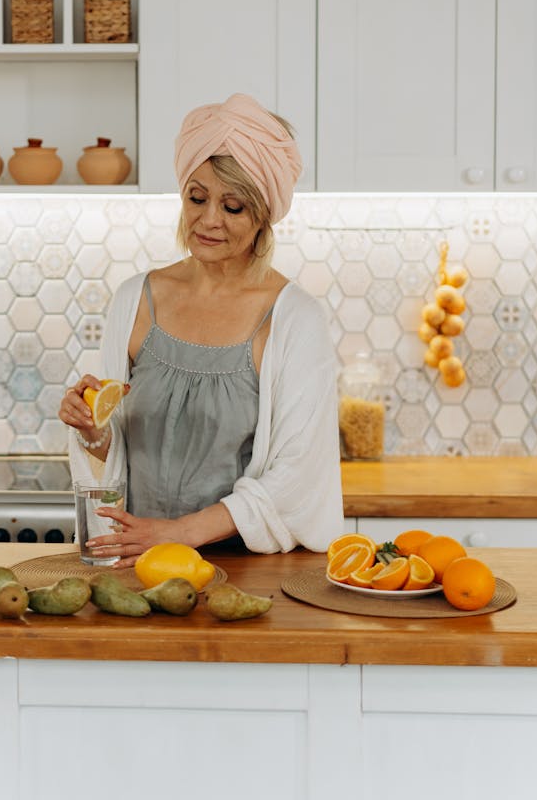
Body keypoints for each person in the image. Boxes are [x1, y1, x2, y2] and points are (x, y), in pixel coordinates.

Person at [59, 92, 342, 565]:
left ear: (262, 216)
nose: (209, 220)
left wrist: (176, 533)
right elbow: (112, 454)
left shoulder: (294, 318)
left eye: (233, 207)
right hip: (136, 563)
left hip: (245, 571)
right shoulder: (135, 299)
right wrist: (90, 430)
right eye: (197, 197)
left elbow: (295, 477)